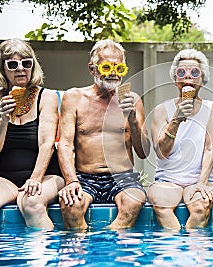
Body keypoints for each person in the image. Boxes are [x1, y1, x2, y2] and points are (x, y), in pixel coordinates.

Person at [57, 39, 150, 230]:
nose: (113, 73)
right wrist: (71, 180)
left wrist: (133, 119)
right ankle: (85, 251)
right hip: (84, 176)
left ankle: (106, 245)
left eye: (119, 68)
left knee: (133, 202)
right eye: (107, 67)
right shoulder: (74, 97)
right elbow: (65, 144)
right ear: (92, 69)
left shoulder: (132, 100)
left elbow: (144, 152)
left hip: (123, 176)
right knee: (71, 207)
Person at [0, 38, 64, 229]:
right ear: (2, 68)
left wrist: (35, 179)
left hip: (46, 175)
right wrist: (3, 120)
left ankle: (46, 258)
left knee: (31, 204)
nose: (20, 68)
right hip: (4, 177)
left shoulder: (46, 97)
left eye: (26, 63)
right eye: (12, 64)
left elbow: (47, 144)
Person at [148, 49, 213, 229]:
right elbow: (161, 153)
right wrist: (176, 120)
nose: (188, 77)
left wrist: (202, 183)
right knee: (162, 206)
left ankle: (196, 253)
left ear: (203, 80)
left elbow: (209, 149)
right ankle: (172, 252)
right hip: (167, 180)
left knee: (201, 206)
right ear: (175, 80)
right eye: (181, 73)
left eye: (194, 73)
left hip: (200, 179)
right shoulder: (162, 110)